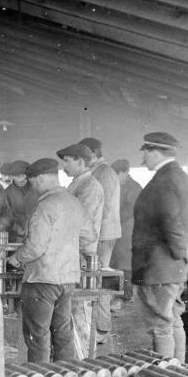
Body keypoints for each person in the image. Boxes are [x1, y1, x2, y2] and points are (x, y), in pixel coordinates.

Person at [8, 159, 96, 363]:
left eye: (33, 182)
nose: (34, 187)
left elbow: (35, 248)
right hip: (68, 279)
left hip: (42, 279)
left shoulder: (45, 207)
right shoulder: (74, 202)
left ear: (40, 178)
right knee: (63, 333)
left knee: (38, 336)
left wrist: (15, 258)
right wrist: (67, 247)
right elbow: (89, 236)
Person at [132, 132, 188, 362]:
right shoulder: (181, 178)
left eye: (146, 154)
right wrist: (185, 251)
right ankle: (179, 373)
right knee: (173, 319)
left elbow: (170, 221)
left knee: (160, 325)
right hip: (171, 267)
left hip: (157, 267)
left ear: (155, 152)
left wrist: (179, 252)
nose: (143, 160)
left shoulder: (164, 181)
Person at [57, 143, 104, 355]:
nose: (64, 166)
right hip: (70, 256)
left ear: (81, 161)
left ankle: (86, 364)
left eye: (67, 161)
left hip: (81, 257)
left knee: (81, 314)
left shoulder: (90, 187)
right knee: (71, 313)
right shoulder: (76, 184)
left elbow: (80, 226)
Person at [78, 138, 121, 344]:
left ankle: (102, 328)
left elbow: (100, 210)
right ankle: (98, 326)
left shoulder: (104, 173)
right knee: (95, 278)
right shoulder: (100, 171)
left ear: (93, 153)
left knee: (98, 278)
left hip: (102, 234)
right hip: (100, 233)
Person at [110, 159, 142, 302]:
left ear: (124, 173)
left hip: (128, 234)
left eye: (116, 174)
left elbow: (130, 211)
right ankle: (120, 298)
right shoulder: (119, 186)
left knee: (126, 268)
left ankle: (126, 299)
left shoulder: (134, 188)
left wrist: (111, 217)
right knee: (118, 267)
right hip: (119, 234)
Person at [1, 160, 31, 241]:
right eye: (18, 176)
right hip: (16, 237)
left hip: (37, 236)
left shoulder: (38, 190)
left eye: (24, 175)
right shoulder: (7, 193)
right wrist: (17, 228)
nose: (22, 179)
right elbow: (6, 215)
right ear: (12, 176)